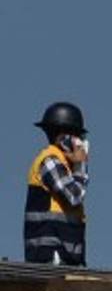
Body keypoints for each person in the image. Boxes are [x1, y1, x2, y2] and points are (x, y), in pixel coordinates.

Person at [25, 102, 89, 266]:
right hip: (51, 256)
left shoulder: (65, 166)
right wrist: (81, 165)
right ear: (64, 138)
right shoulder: (50, 161)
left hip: (66, 257)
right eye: (77, 137)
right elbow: (74, 196)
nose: (81, 142)